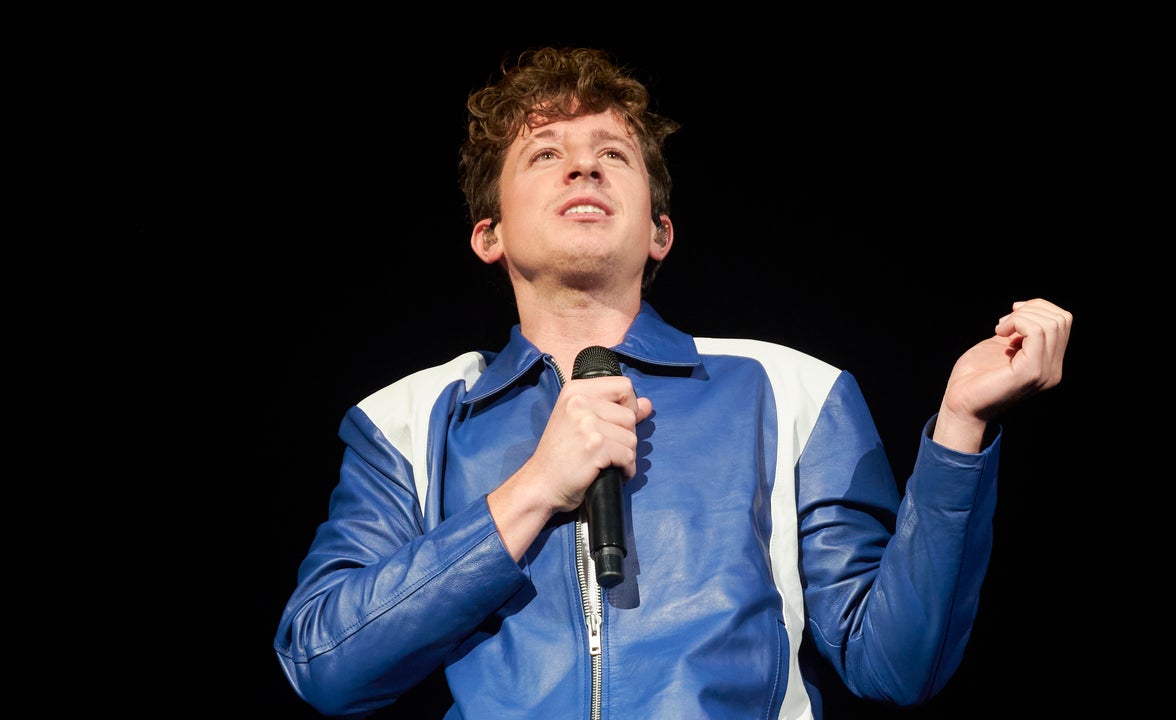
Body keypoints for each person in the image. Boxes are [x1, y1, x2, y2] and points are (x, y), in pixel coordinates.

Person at [273, 46, 1072, 719]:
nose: (582, 165)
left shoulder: (793, 390)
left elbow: (893, 665)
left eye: (612, 154)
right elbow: (323, 662)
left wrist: (960, 427)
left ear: (660, 232)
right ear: (490, 234)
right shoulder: (406, 421)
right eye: (545, 153)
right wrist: (534, 489)